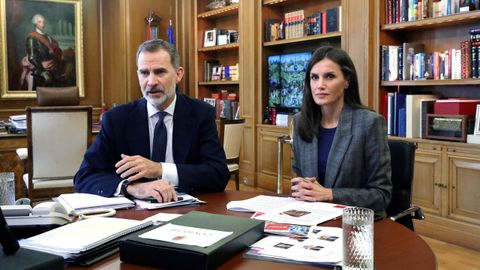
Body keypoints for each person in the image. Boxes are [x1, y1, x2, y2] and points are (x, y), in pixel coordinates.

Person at [74, 39, 229, 202]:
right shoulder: (116, 119)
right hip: (133, 215)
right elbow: (85, 176)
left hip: (187, 210)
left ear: (178, 74)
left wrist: (160, 169)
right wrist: (132, 188)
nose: (151, 82)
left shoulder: (200, 113)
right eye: (144, 73)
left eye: (160, 72)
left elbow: (218, 174)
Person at [290, 46, 392, 217]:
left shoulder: (369, 123)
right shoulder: (301, 121)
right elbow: (301, 180)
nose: (320, 85)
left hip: (356, 222)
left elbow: (381, 195)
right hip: (313, 219)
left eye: (329, 76)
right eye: (314, 77)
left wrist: (329, 194)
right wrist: (302, 188)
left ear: (347, 81)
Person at [20, 14, 63, 90]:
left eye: (43, 22)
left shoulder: (48, 37)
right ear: (35, 24)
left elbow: (55, 51)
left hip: (52, 68)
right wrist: (42, 72)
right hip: (39, 70)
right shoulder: (31, 38)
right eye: (39, 22)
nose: (42, 24)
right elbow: (32, 57)